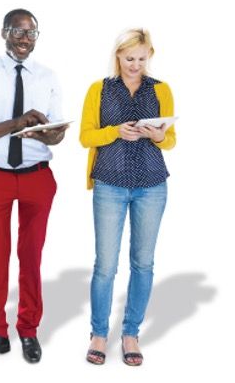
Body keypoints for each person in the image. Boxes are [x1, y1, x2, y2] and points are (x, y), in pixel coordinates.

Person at [0, 9, 67, 364]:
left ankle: (29, 330)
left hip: (38, 176)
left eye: (31, 33)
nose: (24, 38)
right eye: (18, 31)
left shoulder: (48, 77)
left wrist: (51, 134)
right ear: (4, 32)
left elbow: (55, 134)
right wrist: (16, 123)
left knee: (31, 257)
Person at [80, 28, 175, 367]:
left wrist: (158, 136)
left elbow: (171, 140)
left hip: (151, 184)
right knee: (105, 265)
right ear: (118, 55)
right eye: (129, 58)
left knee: (143, 262)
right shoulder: (99, 89)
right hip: (110, 183)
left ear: (150, 56)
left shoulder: (161, 89)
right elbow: (85, 136)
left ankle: (131, 333)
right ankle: (99, 334)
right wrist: (115, 131)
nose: (135, 65)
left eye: (141, 59)